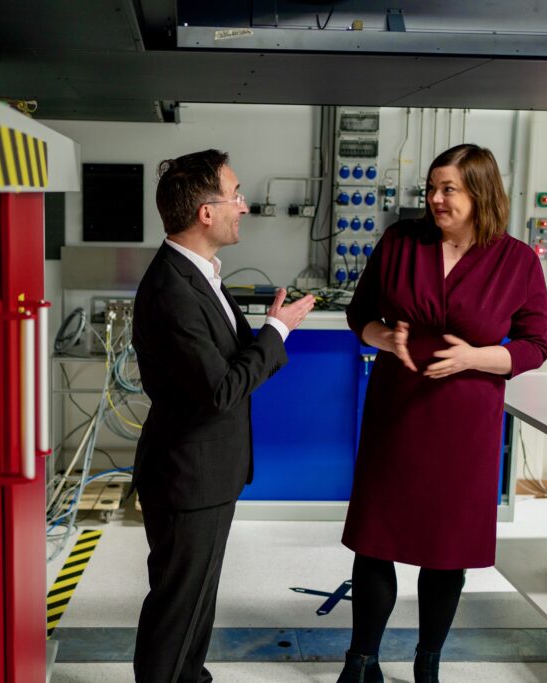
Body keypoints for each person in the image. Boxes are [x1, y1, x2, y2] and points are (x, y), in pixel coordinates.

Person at [336, 144, 547, 683]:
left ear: (480, 193)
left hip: (466, 423)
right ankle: (361, 661)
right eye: (431, 188)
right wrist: (382, 337)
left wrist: (475, 357)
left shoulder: (517, 260)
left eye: (448, 189)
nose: (434, 198)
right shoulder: (400, 241)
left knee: (446, 550)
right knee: (375, 541)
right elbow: (360, 313)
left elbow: (535, 345)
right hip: (397, 412)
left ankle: (427, 661)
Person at [131, 148, 315, 683]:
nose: (245, 206)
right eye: (235, 195)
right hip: (188, 476)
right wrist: (277, 332)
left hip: (206, 472)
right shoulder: (172, 290)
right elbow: (221, 390)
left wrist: (269, 332)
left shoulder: (200, 274)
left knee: (194, 605)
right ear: (205, 212)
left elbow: (226, 366)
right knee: (177, 610)